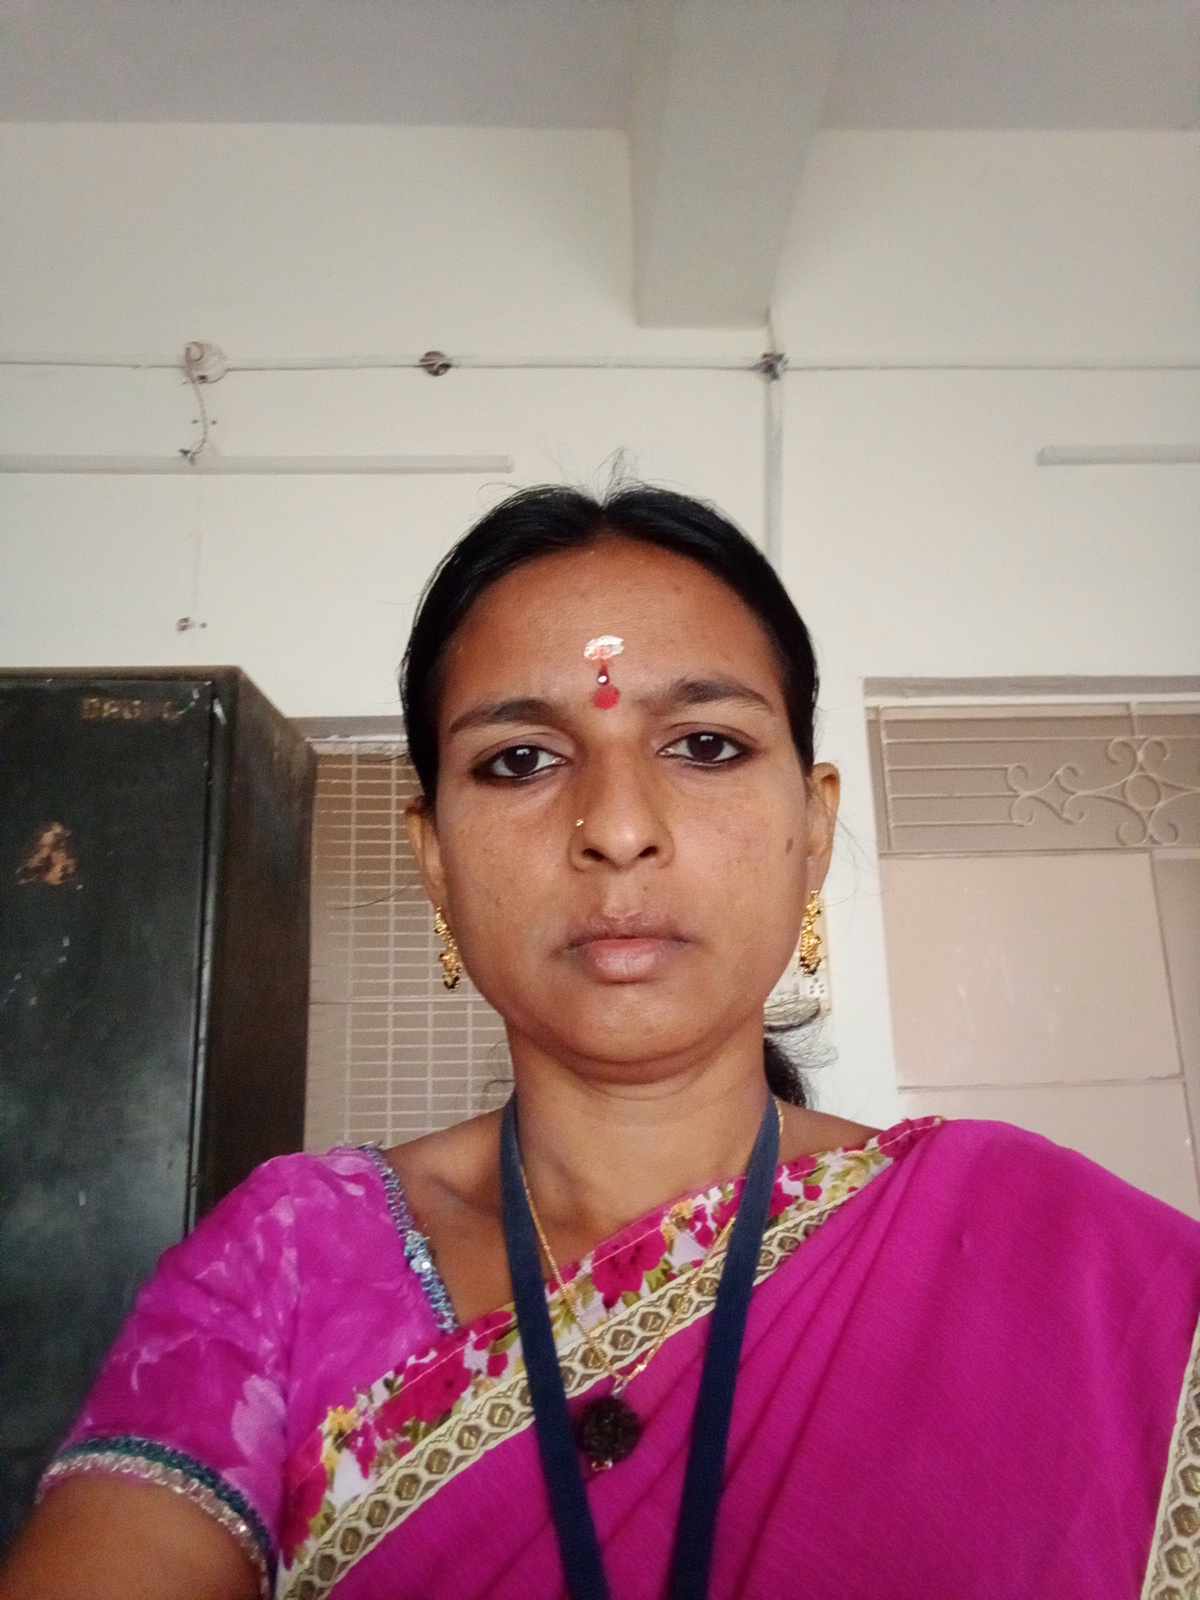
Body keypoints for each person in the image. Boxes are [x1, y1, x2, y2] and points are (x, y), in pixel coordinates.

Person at [3, 484, 1198, 1600]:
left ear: (812, 826)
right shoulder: (288, 1264)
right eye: (520, 760)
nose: (619, 828)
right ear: (434, 859)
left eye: (707, 745)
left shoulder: (1049, 1257)